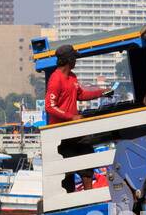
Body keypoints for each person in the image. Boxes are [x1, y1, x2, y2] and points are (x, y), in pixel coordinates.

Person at [45, 45, 112, 191]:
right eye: (74, 57)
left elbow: (81, 95)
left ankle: (89, 198)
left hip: (76, 132)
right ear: (69, 59)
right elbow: (50, 106)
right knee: (67, 172)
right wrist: (72, 117)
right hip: (61, 134)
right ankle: (69, 203)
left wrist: (102, 92)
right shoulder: (56, 79)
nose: (76, 60)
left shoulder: (73, 77)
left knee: (87, 164)